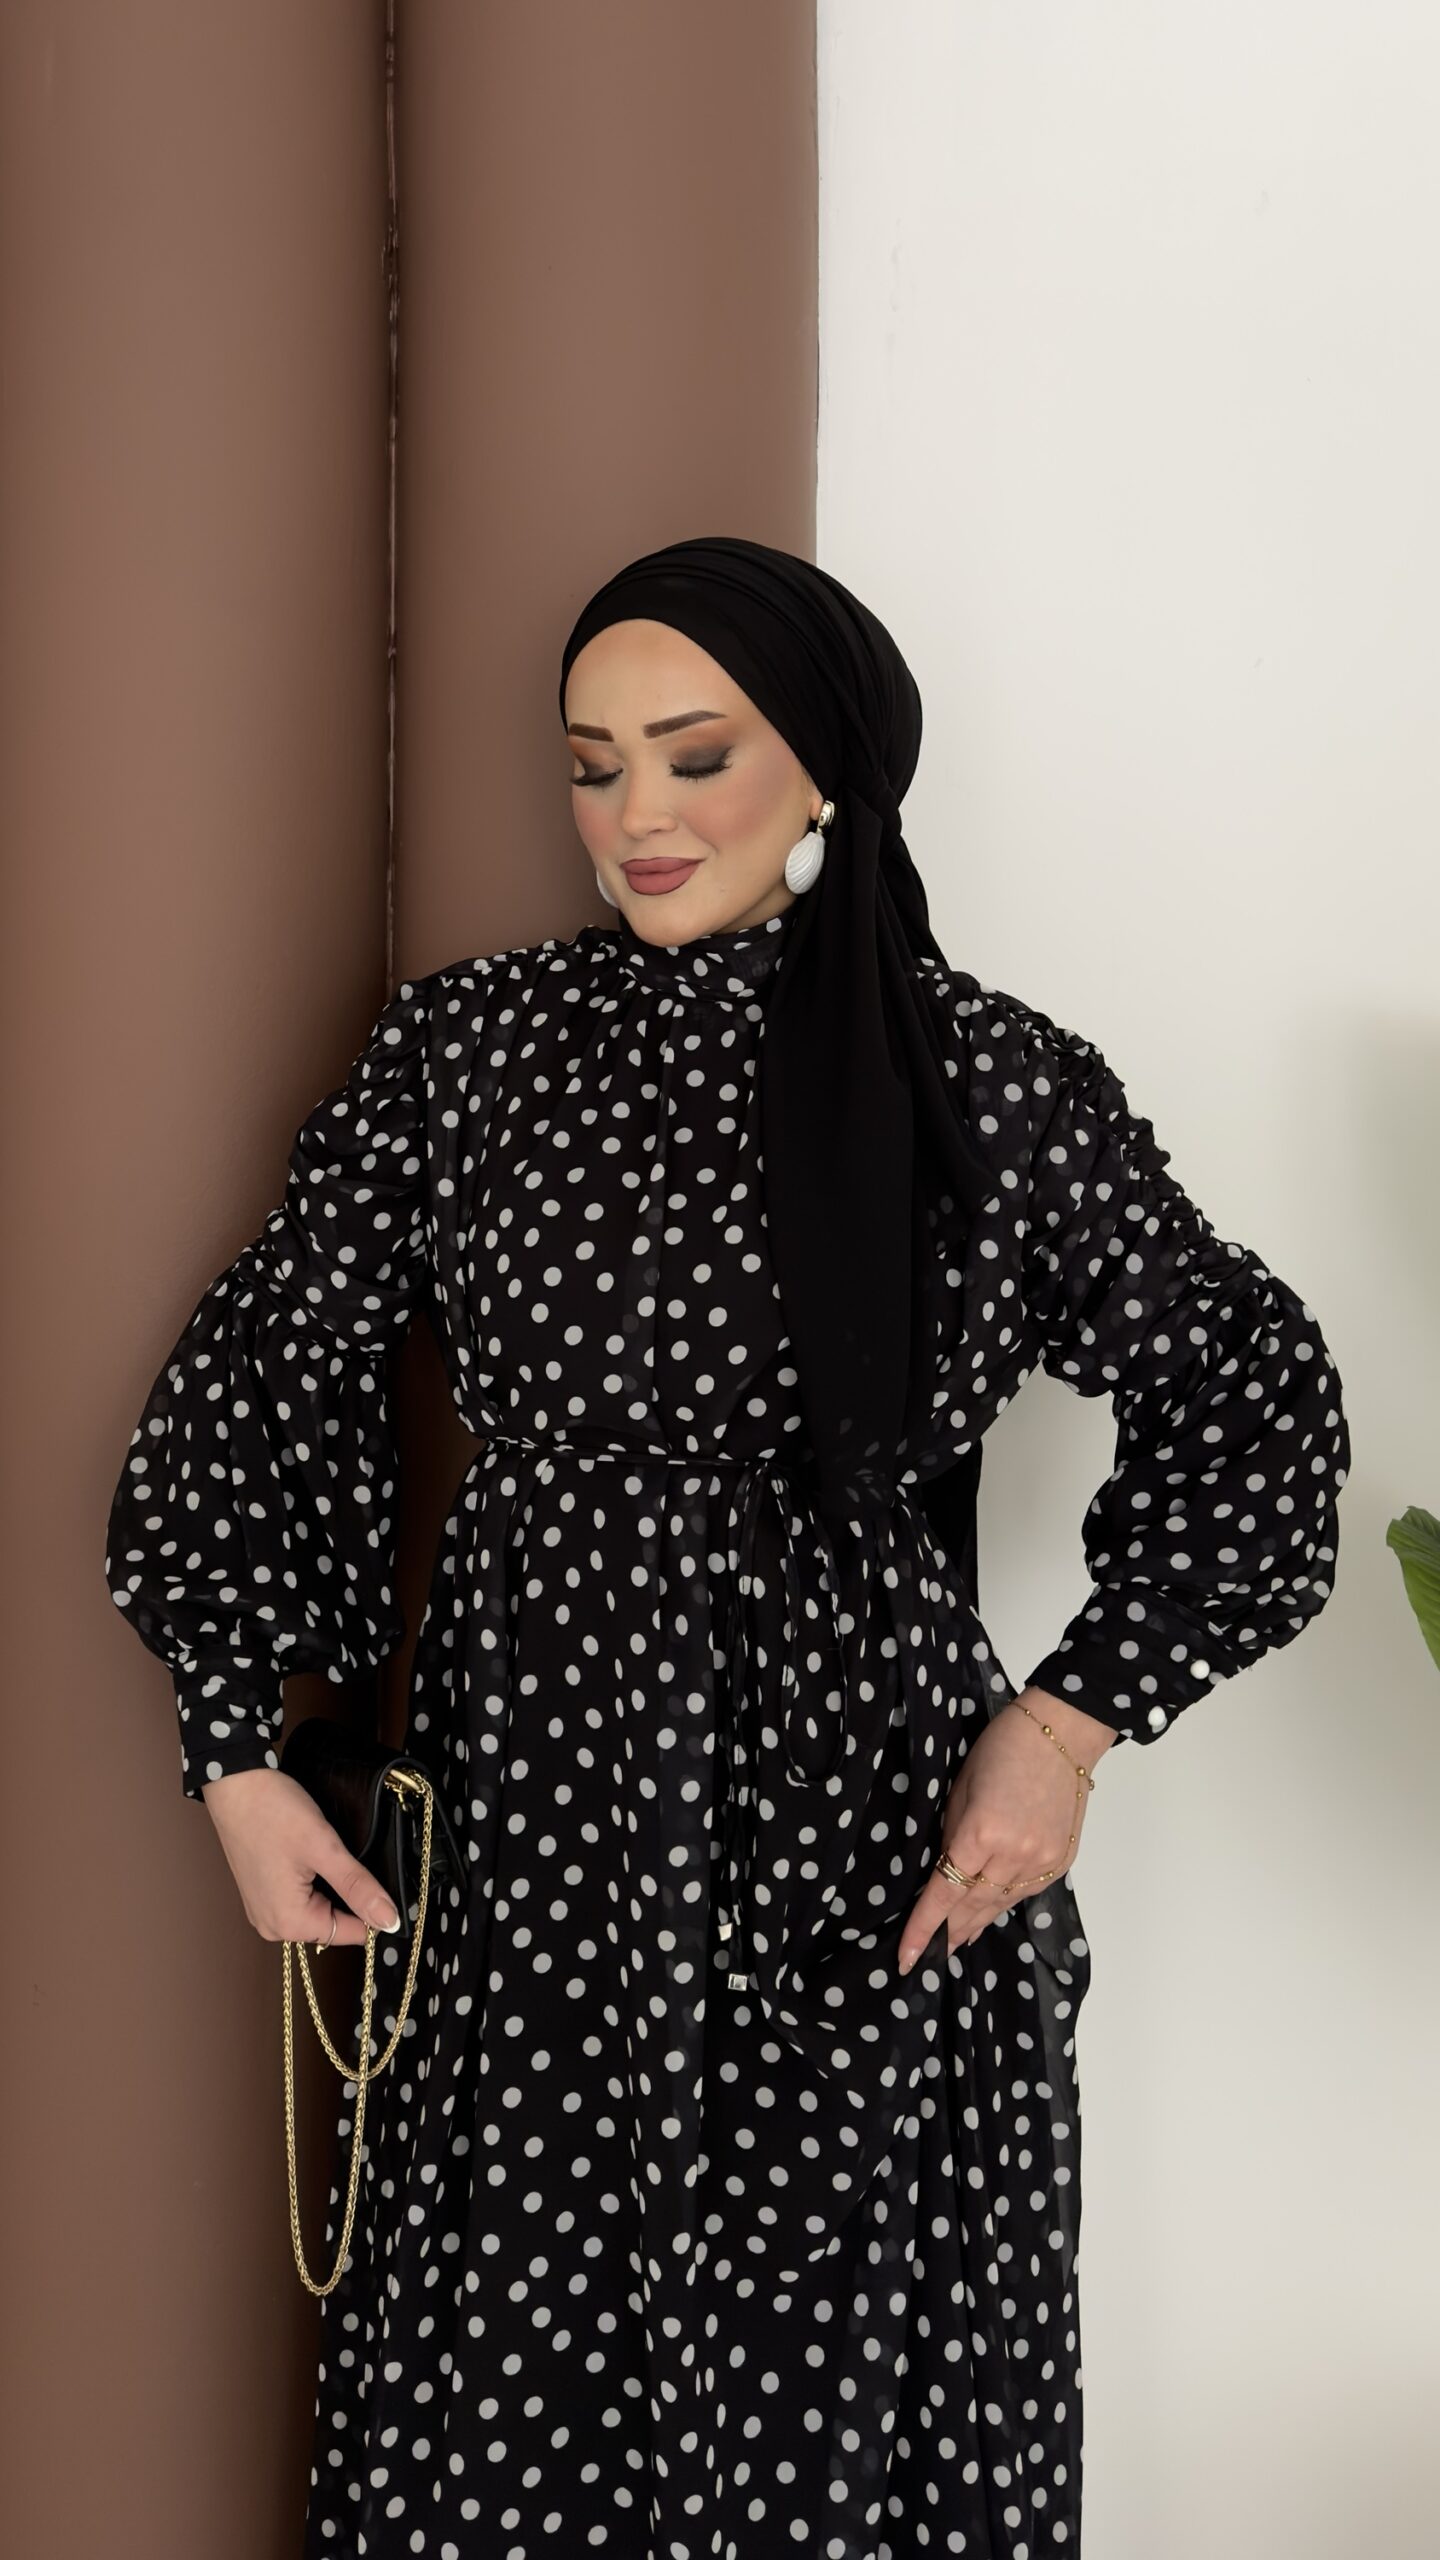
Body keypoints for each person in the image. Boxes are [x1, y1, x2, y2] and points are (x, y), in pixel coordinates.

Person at [105, 534, 1350, 2559]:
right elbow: (266, 1363)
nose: (637, 816)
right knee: (516, 2406)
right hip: (536, 1851)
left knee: (824, 2422)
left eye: (696, 757)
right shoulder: (473, 1053)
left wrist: (1065, 1725)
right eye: (592, 766)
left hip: (865, 1855)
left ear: (828, 769)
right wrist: (237, 1747)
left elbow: (1254, 1400)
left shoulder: (984, 1084)